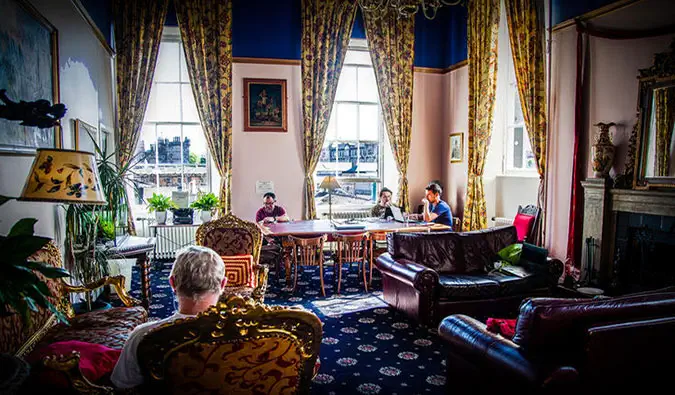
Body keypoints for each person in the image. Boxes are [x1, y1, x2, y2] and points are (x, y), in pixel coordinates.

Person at [111, 246, 227, 389]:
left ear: (172, 283)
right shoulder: (249, 333)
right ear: (223, 284)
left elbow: (122, 386)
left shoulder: (143, 336)